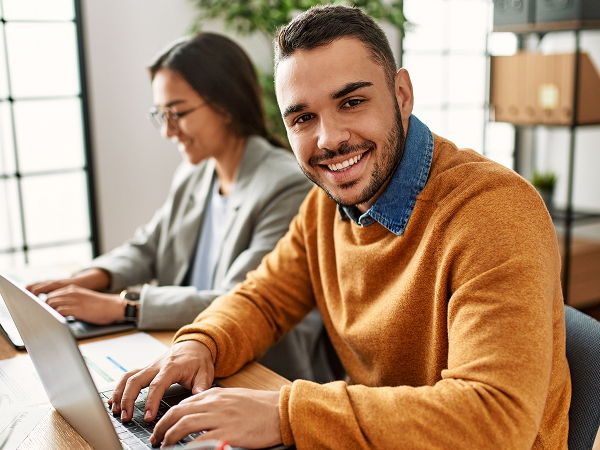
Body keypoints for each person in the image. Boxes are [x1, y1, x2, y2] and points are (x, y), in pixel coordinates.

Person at [108, 6, 571, 449]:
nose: (328, 139)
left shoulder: (493, 211)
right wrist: (201, 343)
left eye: (351, 101)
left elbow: (495, 420)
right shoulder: (323, 207)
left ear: (402, 95)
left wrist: (283, 414)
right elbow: (263, 300)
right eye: (303, 117)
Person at [26, 32, 334, 383]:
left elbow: (238, 301)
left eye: (178, 113)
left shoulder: (286, 184)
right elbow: (148, 248)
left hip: (258, 373)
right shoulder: (196, 172)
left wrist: (124, 307)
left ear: (225, 104)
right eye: (161, 115)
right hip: (185, 349)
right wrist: (84, 281)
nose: (168, 131)